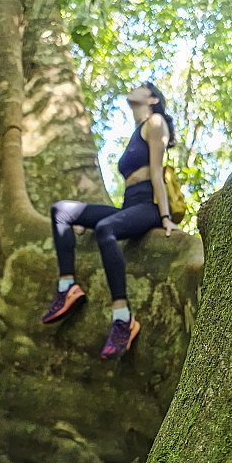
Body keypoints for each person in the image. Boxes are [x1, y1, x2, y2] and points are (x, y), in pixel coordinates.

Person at [41, 81, 178, 360]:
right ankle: (67, 287)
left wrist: (165, 217)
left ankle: (122, 318)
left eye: (142, 86)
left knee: (105, 228)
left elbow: (156, 173)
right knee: (62, 211)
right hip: (129, 206)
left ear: (152, 99)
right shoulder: (136, 131)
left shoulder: (155, 122)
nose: (134, 87)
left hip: (148, 206)